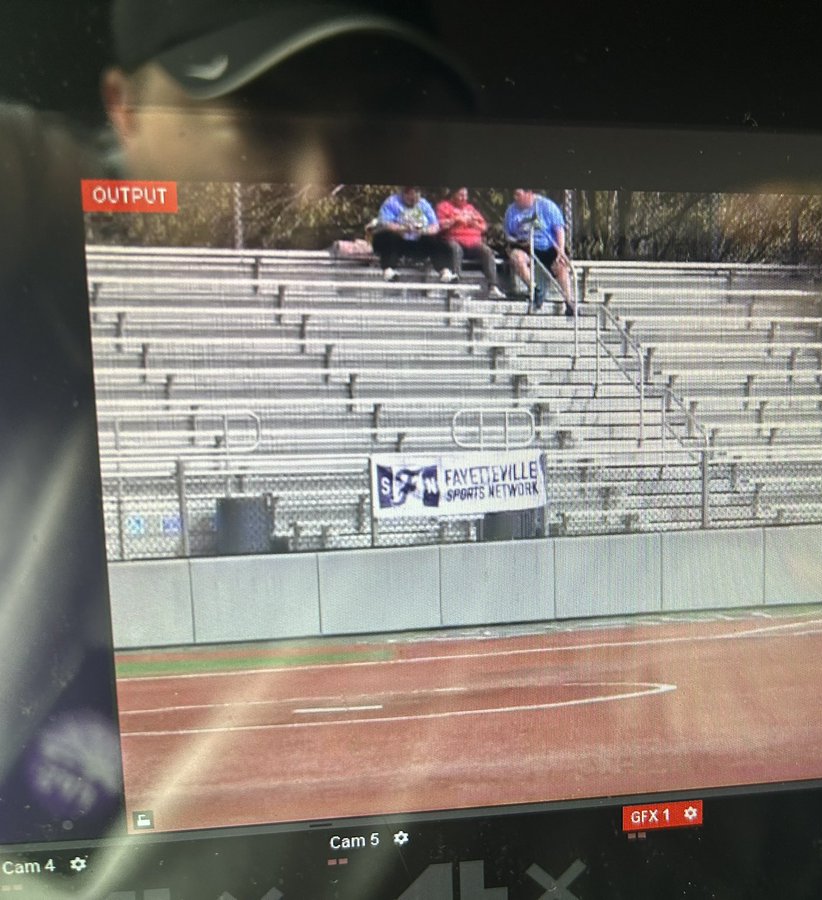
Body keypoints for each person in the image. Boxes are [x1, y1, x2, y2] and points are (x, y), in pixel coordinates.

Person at [0, 0, 475, 845]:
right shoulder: (44, 203)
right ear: (125, 112)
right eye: (256, 119)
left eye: (378, 122)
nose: (315, 184)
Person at [504, 188, 576, 314]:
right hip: (525, 246)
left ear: (529, 193)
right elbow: (508, 235)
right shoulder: (511, 211)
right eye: (514, 195)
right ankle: (534, 289)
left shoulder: (547, 206)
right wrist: (517, 241)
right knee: (516, 257)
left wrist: (560, 251)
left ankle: (569, 301)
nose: (515, 198)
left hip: (547, 246)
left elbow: (559, 229)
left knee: (561, 266)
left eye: (519, 194)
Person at [372, 186, 458, 282]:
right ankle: (388, 271)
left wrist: (423, 230)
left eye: (416, 197)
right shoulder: (392, 202)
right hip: (398, 240)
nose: (414, 201)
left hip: (417, 241)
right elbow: (385, 223)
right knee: (389, 237)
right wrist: (404, 228)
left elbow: (435, 226)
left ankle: (445, 272)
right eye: (411, 198)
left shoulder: (424, 204)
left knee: (437, 241)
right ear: (405, 193)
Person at [436, 188, 507, 299]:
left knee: (487, 251)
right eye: (460, 195)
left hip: (473, 242)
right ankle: (454, 288)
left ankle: (493, 287)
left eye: (465, 195)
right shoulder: (444, 206)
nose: (464, 198)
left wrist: (473, 222)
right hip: (454, 239)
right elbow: (439, 225)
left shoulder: (470, 208)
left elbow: (484, 228)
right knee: (456, 249)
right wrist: (455, 220)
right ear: (453, 195)